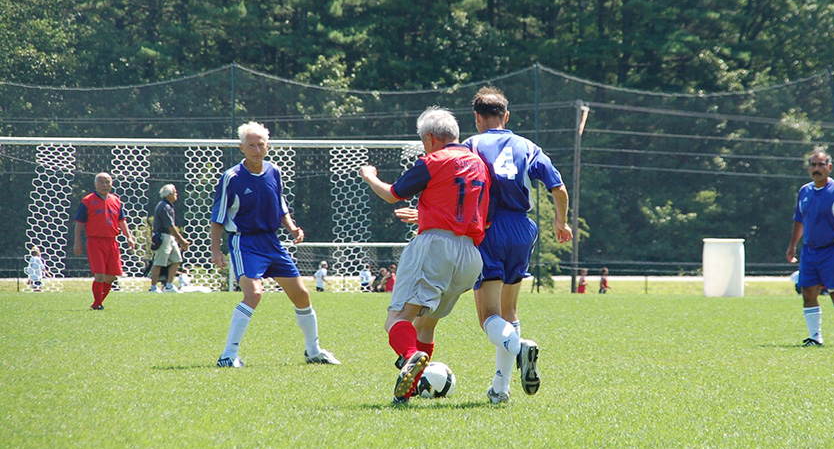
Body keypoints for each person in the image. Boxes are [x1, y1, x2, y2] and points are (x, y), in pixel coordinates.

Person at [359, 107, 490, 404]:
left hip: (435, 247)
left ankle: (409, 356)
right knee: (426, 323)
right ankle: (410, 388)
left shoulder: (433, 161)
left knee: (397, 318)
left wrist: (369, 176)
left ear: (430, 138)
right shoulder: (479, 164)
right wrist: (428, 215)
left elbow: (392, 193)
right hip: (470, 255)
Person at [463, 87, 573, 403]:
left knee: (489, 316)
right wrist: (561, 222)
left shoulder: (471, 145)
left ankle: (519, 346)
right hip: (523, 229)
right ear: (506, 116)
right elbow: (558, 188)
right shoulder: (528, 146)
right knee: (509, 310)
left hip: (488, 229)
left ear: (477, 118)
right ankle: (500, 389)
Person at [210, 121, 340, 367]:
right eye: (251, 145)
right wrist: (216, 250)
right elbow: (217, 217)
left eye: (261, 144)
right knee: (254, 294)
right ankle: (228, 356)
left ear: (268, 146)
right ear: (241, 148)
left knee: (301, 294)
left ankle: (313, 351)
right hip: (244, 242)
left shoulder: (274, 171)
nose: (257, 150)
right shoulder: (232, 177)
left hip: (272, 242)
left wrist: (292, 228)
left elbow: (280, 207)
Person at [786, 149, 834, 348]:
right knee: (808, 293)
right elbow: (799, 220)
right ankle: (815, 338)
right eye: (813, 165)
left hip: (833, 250)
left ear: (830, 167)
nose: (816, 169)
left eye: (820, 165)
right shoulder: (804, 191)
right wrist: (792, 246)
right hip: (809, 251)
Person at [73, 172, 136, 310]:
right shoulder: (88, 200)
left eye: (107, 182)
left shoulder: (116, 200)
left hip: (112, 242)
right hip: (95, 241)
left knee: (111, 276)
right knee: (100, 275)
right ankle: (97, 304)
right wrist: (77, 241)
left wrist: (129, 237)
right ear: (95, 184)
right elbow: (79, 222)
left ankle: (98, 301)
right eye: (101, 182)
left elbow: (121, 220)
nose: (105, 185)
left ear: (111, 184)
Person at [150, 184, 191, 293]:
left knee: (176, 259)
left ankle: (169, 285)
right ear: (169, 194)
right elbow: (170, 226)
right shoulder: (164, 206)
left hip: (169, 237)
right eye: (175, 192)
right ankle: (153, 287)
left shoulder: (168, 206)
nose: (176, 194)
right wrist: (182, 241)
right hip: (163, 236)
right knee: (159, 262)